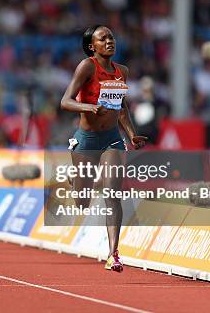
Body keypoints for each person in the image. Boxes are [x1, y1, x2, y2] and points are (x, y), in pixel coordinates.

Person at [60, 25, 147, 272]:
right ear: (92, 46)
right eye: (103, 38)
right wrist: (89, 108)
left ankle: (113, 254)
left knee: (112, 192)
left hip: (112, 139)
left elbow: (122, 108)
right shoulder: (87, 66)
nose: (110, 41)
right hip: (86, 140)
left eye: (111, 37)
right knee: (82, 203)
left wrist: (131, 135)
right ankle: (77, 178)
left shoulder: (123, 72)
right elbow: (65, 101)